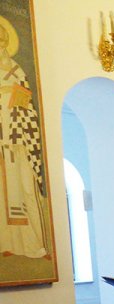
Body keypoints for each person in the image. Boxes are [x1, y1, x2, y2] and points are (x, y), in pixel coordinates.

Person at [0, 23, 50, 262]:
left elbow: (26, 103)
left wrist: (12, 96)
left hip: (17, 139)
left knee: (24, 189)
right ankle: (7, 243)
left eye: (1, 42)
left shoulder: (16, 70)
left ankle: (32, 245)